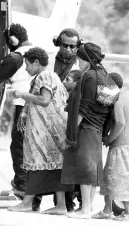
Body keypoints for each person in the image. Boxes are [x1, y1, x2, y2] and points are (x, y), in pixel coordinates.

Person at [7, 47, 73, 214]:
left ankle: (27, 202)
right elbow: (38, 97)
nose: (26, 69)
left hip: (46, 131)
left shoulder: (45, 75)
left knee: (35, 164)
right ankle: (61, 205)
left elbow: (44, 99)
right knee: (54, 167)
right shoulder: (50, 76)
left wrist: (21, 94)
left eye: (28, 65)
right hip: (53, 131)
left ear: (37, 62)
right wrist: (25, 111)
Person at [0, 24, 41, 210]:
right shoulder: (30, 52)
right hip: (31, 104)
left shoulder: (16, 57)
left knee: (17, 145)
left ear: (13, 40)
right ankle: (26, 187)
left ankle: (21, 186)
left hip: (23, 105)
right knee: (25, 146)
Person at [61, 42, 111, 219]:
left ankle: (85, 210)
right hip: (98, 128)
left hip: (86, 128)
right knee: (92, 169)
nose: (78, 64)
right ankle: (88, 208)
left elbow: (84, 107)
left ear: (86, 59)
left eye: (80, 60)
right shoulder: (103, 74)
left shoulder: (89, 75)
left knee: (85, 170)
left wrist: (71, 131)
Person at [92, 72, 129, 221]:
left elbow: (120, 123)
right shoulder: (121, 98)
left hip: (122, 147)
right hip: (120, 146)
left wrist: (109, 138)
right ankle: (107, 210)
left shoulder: (118, 100)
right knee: (109, 178)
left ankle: (128, 212)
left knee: (121, 180)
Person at [53, 28, 82, 212]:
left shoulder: (81, 65)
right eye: (66, 45)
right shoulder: (48, 60)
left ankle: (70, 204)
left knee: (70, 163)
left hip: (70, 119)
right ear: (58, 43)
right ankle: (40, 200)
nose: (70, 50)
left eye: (74, 46)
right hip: (49, 117)